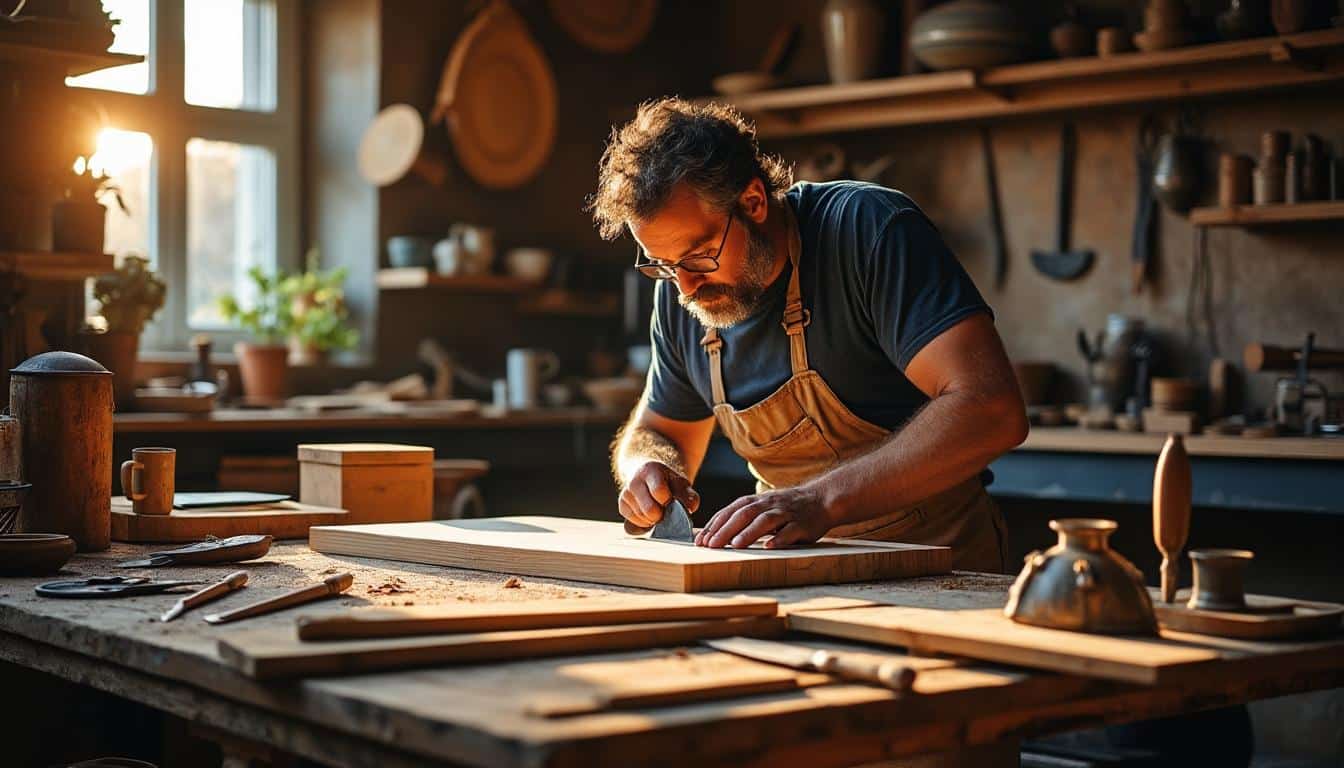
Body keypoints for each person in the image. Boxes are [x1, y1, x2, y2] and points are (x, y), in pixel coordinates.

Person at [589, 98, 1027, 572]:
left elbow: (991, 408)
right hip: (791, 576)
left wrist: (821, 501)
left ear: (753, 202)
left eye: (698, 258)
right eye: (663, 267)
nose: (685, 287)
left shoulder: (867, 231)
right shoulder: (684, 293)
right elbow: (656, 431)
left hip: (939, 570)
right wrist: (647, 469)